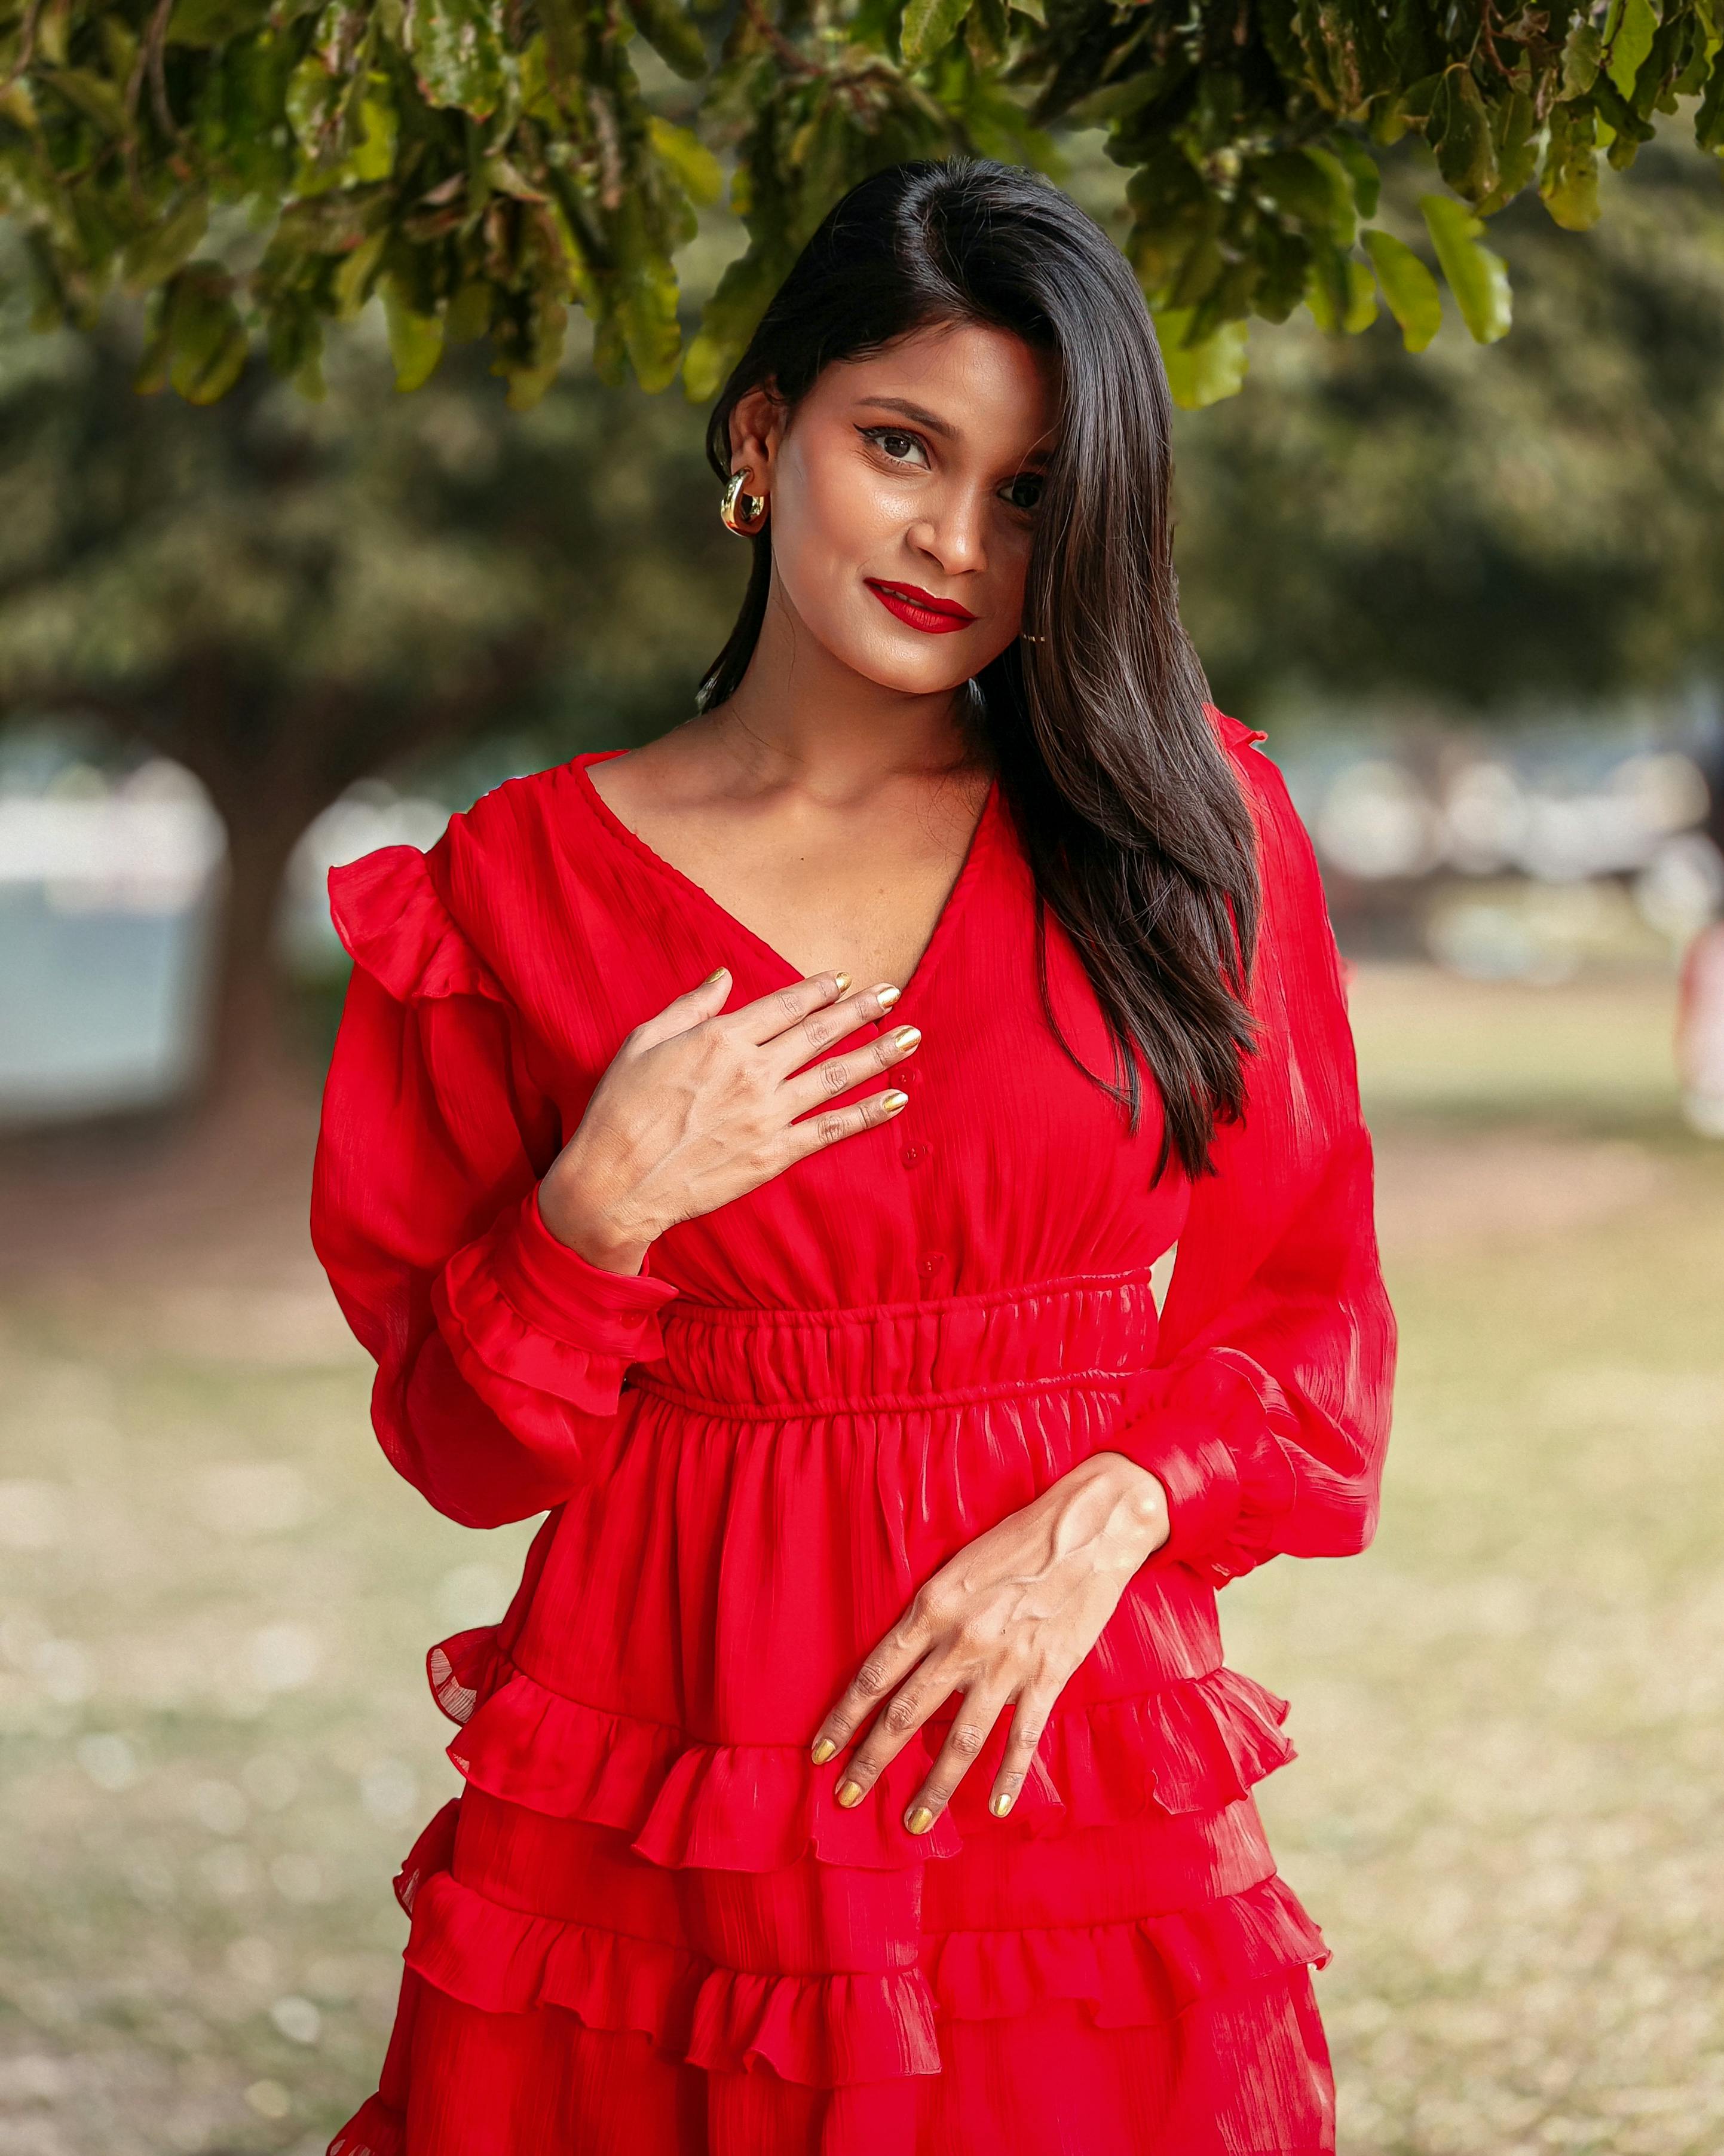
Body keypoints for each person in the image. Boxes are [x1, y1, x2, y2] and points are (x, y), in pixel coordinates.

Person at [310, 157, 1395, 2156]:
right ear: (762, 432)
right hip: (671, 1735)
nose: (955, 540)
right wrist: (592, 1211)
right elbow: (466, 1450)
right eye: (902, 445)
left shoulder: (1189, 834)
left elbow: (1307, 1318)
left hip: (1056, 1741)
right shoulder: (511, 894)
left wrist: (1114, 1519)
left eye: (1034, 491)